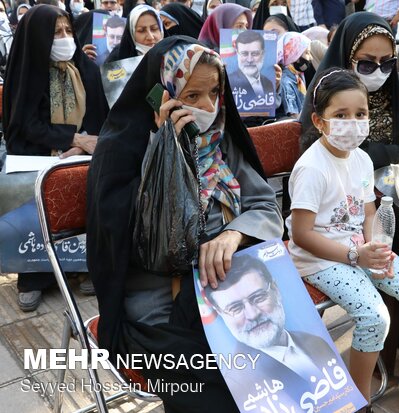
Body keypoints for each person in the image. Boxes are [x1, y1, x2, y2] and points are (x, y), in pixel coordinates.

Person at [87, 37, 283, 412]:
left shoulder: (221, 141)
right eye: (192, 96)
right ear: (161, 94)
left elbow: (266, 206)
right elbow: (144, 244)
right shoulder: (120, 150)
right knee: (221, 390)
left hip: (230, 290)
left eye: (214, 93)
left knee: (277, 372)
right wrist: (166, 150)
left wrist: (233, 233)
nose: (208, 107)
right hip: (160, 301)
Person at [289, 68, 399, 405]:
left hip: (357, 249)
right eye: (341, 115)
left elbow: (366, 212)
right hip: (319, 259)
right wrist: (356, 256)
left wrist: (374, 246)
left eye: (360, 114)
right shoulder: (311, 168)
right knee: (374, 316)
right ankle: (359, 400)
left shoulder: (363, 159)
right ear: (319, 121)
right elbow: (301, 234)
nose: (353, 122)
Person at [300, 12, 399, 268]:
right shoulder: (326, 98)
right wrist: (390, 153)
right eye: (368, 64)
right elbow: (330, 150)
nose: (379, 72)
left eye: (387, 63)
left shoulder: (393, 89)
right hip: (350, 201)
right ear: (348, 57)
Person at [3, 4, 108, 311]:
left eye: (67, 31)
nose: (64, 38)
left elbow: (100, 117)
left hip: (81, 154)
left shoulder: (83, 67)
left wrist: (81, 144)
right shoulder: (26, 72)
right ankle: (34, 276)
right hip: (38, 158)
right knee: (39, 214)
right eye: (55, 33)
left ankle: (80, 265)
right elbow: (22, 125)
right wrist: (70, 141)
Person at [203, 254, 338, 399]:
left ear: (275, 289)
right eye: (235, 308)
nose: (253, 314)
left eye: (258, 297)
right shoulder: (238, 384)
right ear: (220, 313)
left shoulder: (316, 342)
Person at [228, 30, 276, 109]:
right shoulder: (229, 81)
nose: (249, 60)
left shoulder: (268, 83)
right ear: (237, 53)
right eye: (244, 54)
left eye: (255, 54)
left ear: (263, 54)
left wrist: (277, 87)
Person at [278, 31, 310, 118]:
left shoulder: (298, 76)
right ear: (295, 55)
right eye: (307, 53)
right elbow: (294, 116)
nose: (310, 57)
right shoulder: (286, 81)